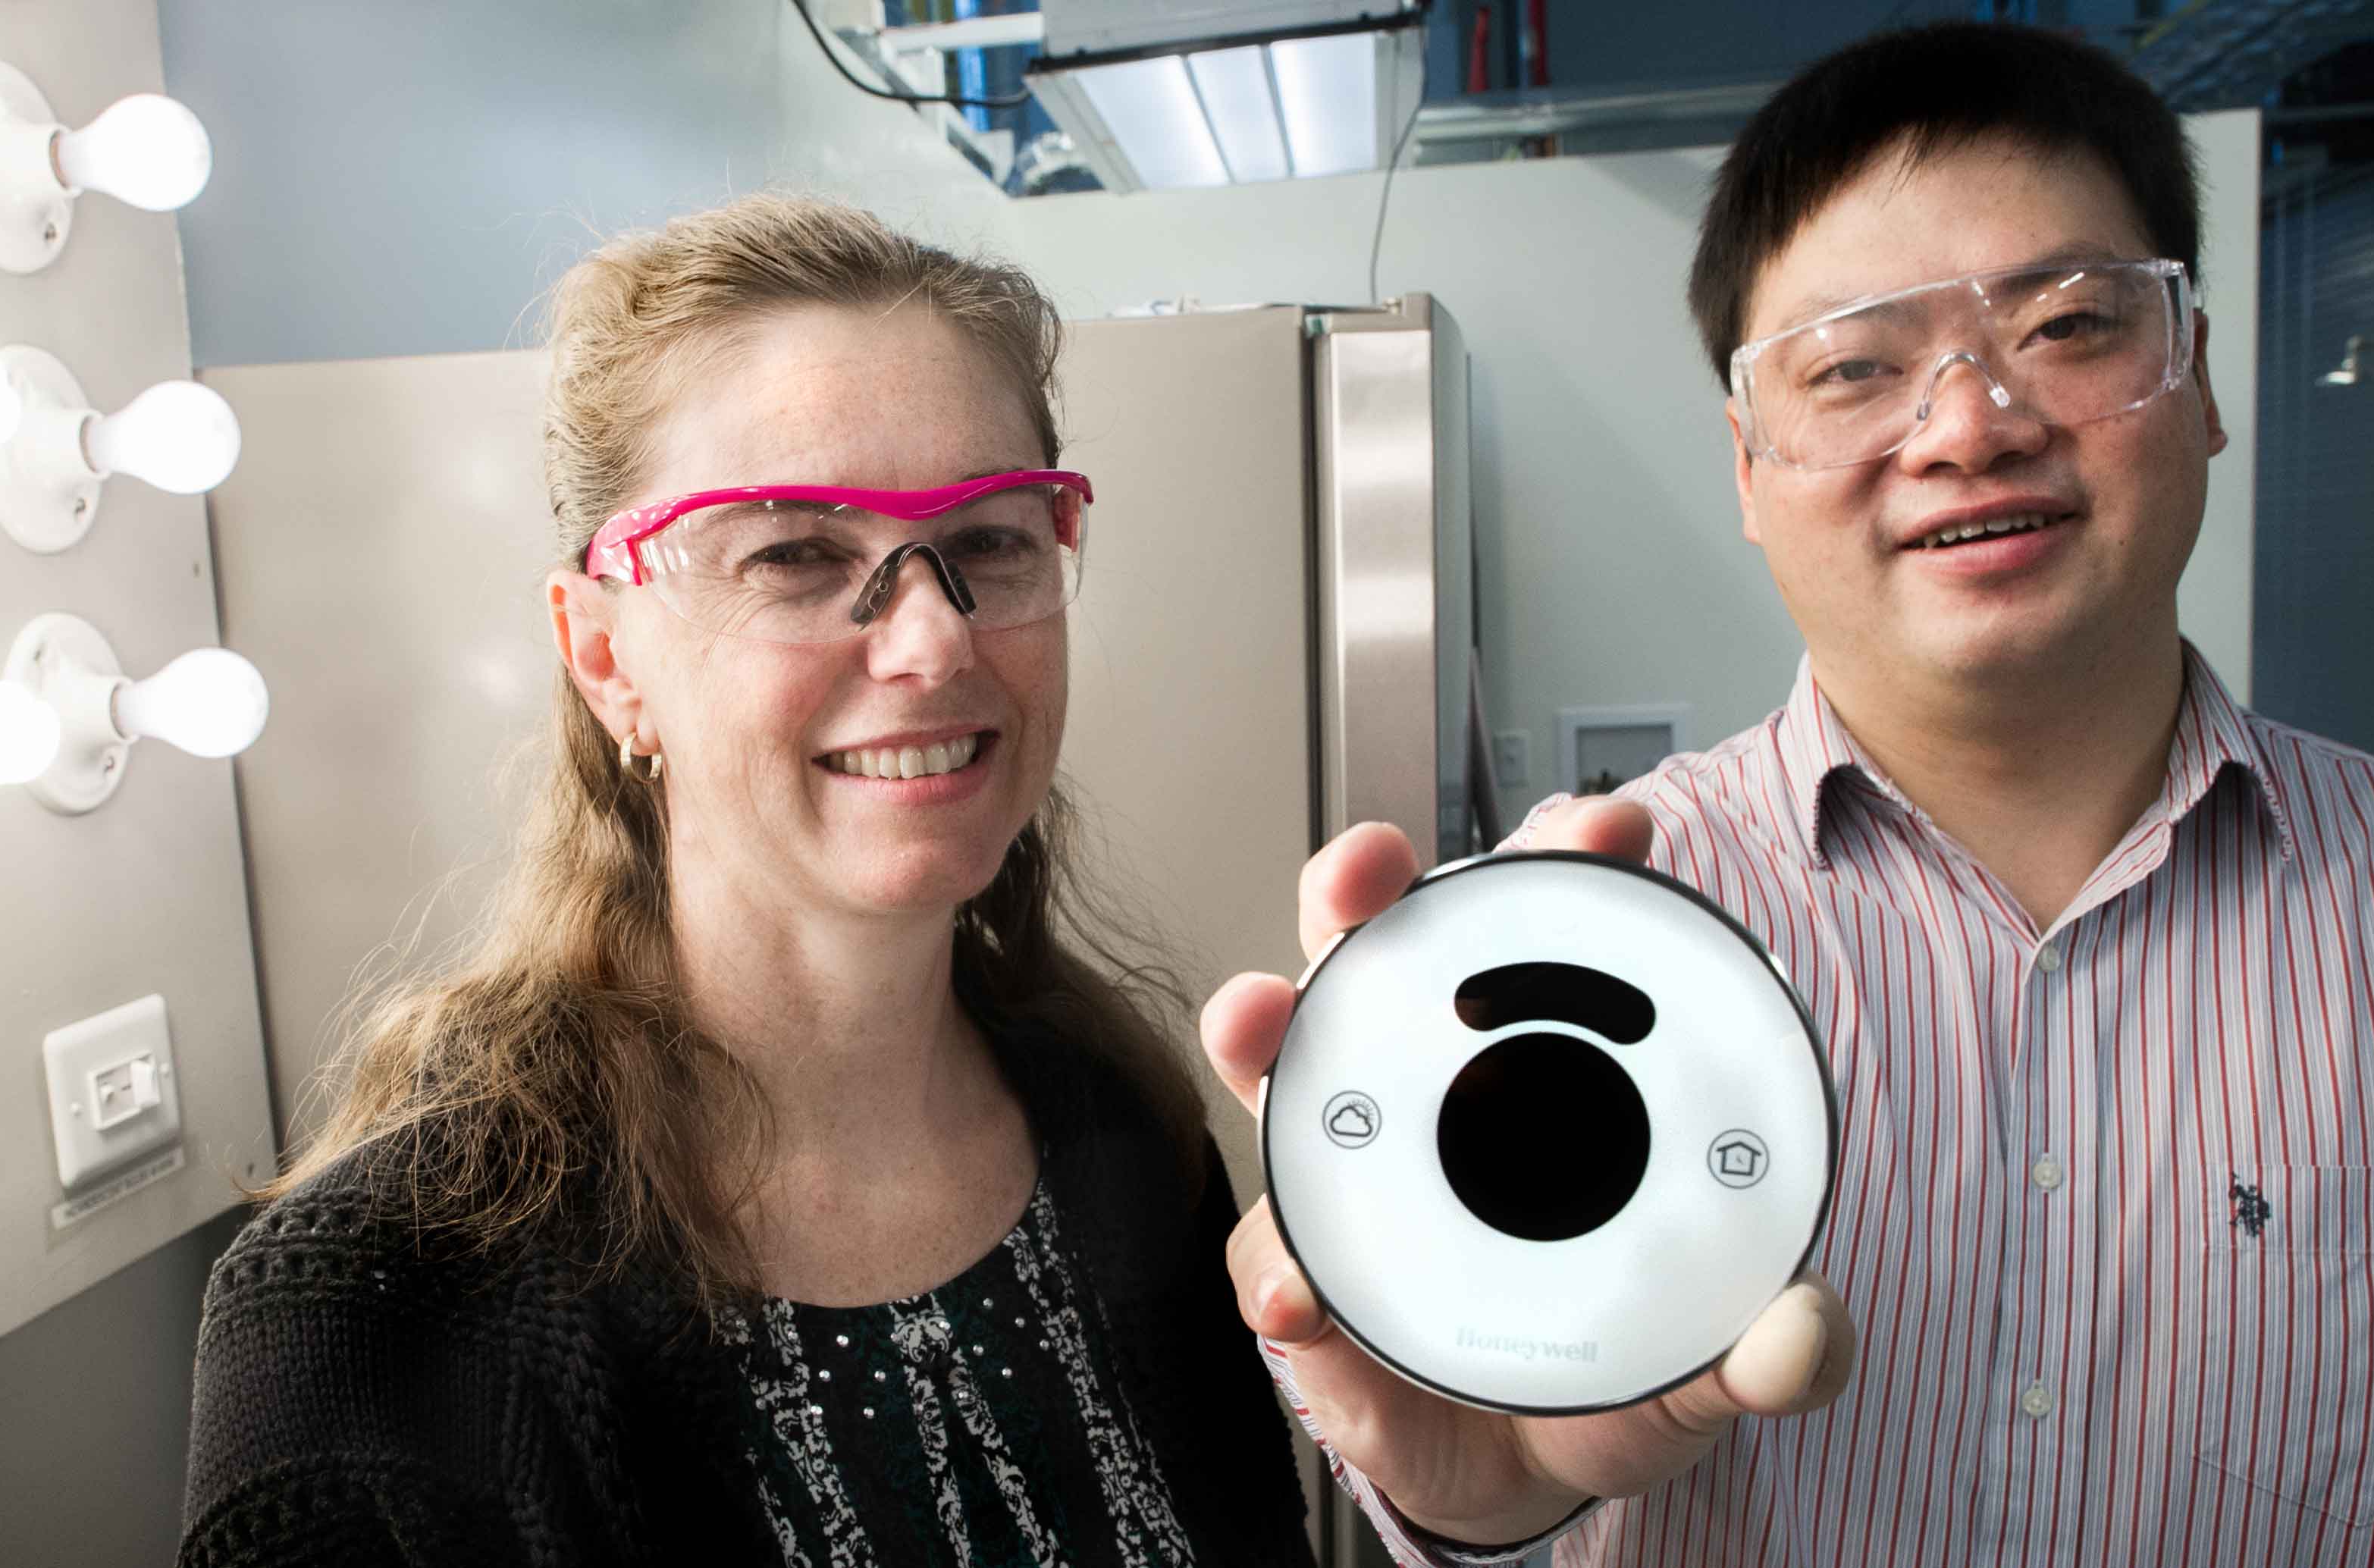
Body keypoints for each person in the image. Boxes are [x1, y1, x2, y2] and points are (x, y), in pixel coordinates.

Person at [174, 196, 1845, 1566]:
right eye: (795, 554)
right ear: (605, 653)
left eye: (989, 539)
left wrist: (1484, 1492)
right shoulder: (372, 1304)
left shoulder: (1121, 1143)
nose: (931, 638)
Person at [1204, 20, 2374, 1568]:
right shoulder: (1573, 933)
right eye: (1855, 366)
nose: (1972, 423)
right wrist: (1487, 1492)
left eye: (2065, 325)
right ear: (1745, 463)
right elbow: (1496, 1463)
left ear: (2194, 376)